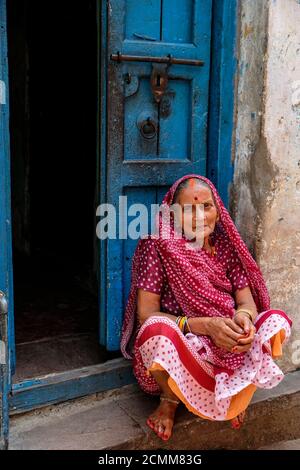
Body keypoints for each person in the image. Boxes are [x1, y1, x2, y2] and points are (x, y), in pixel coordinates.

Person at [120, 174, 292, 442]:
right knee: (156, 330)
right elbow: (146, 315)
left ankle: (234, 395)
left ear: (218, 210)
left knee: (274, 321)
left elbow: (246, 301)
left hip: (227, 340)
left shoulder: (226, 246)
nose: (200, 216)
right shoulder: (159, 246)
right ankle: (170, 400)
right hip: (187, 346)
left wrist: (243, 319)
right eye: (189, 209)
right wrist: (206, 326)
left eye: (207, 206)